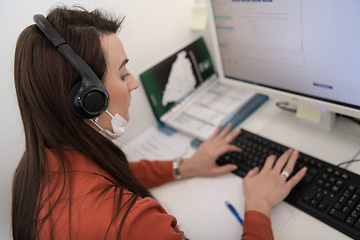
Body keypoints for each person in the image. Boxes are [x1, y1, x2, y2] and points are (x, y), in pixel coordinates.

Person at [11, 6, 307, 240]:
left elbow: (109, 172)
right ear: (89, 99)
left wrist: (185, 166)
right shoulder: (129, 223)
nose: (135, 83)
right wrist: (259, 205)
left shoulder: (36, 166)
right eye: (123, 73)